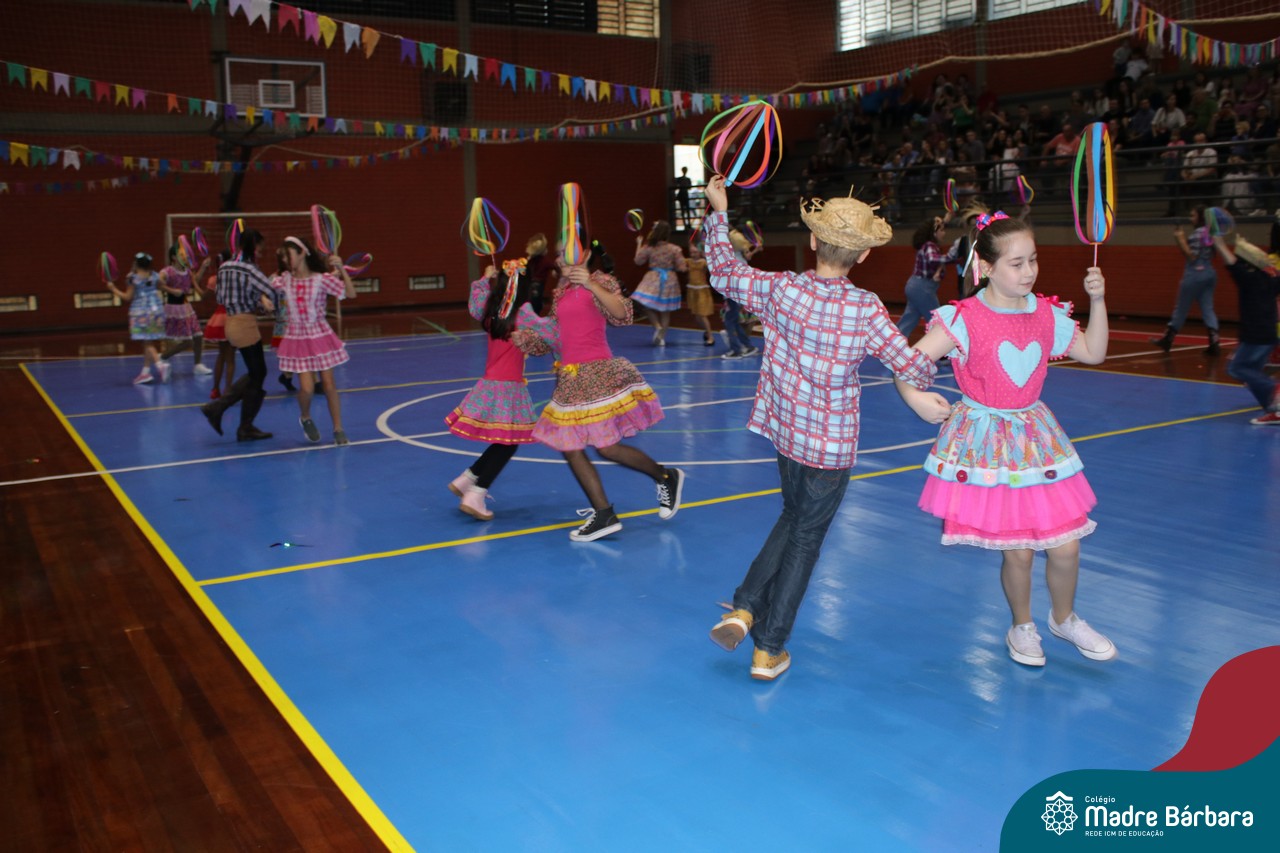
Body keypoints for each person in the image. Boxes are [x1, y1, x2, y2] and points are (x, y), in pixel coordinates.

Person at [702, 175, 948, 681]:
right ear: (863, 255)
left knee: (794, 517)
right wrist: (948, 338)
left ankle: (745, 608)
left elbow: (724, 271)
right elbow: (914, 368)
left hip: (786, 433)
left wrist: (719, 211)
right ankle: (769, 648)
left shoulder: (780, 289)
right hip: (830, 447)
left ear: (813, 241)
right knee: (806, 538)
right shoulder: (865, 309)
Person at [896, 212, 1116, 667]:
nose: (1029, 271)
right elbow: (907, 365)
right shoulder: (964, 318)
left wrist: (1097, 301)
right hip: (990, 446)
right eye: (1017, 263)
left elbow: (1094, 353)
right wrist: (915, 398)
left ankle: (1065, 618)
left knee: (1067, 545)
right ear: (986, 267)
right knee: (1019, 553)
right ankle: (1022, 625)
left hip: (1037, 440)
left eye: (1033, 260)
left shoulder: (1047, 314)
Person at [515, 238, 684, 542]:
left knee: (607, 448)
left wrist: (591, 285)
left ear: (585, 254)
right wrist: (528, 340)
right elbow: (556, 337)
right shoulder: (561, 293)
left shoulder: (600, 281)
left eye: (568, 253)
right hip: (570, 380)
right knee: (570, 446)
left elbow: (622, 314)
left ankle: (664, 476)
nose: (562, 260)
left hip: (598, 375)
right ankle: (604, 513)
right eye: (559, 255)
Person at [445, 259, 555, 519]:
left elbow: (475, 303)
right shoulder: (523, 312)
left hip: (490, 384)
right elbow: (547, 331)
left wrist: (485, 279)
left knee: (504, 441)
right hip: (508, 388)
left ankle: (468, 478)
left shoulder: (492, 310)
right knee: (509, 442)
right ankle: (476, 493)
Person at [272, 236, 356, 445]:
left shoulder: (321, 279)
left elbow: (351, 293)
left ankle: (338, 428)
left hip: (320, 335)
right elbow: (265, 288)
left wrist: (341, 269)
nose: (285, 260)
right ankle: (305, 417)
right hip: (297, 338)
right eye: (283, 257)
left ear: (302, 253)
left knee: (329, 384)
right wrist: (264, 299)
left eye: (288, 255)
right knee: (307, 389)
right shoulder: (284, 279)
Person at [200, 228, 277, 442]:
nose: (261, 252)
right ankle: (225, 413)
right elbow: (271, 290)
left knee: (257, 372)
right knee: (258, 373)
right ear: (253, 246)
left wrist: (257, 300)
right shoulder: (250, 269)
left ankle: (232, 417)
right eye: (260, 249)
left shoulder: (225, 267)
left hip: (231, 322)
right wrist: (271, 306)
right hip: (245, 324)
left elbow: (221, 297)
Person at [1209, 232, 1280, 424]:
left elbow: (1232, 263)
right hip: (1269, 335)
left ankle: (1275, 391)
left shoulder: (1248, 280)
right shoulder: (1272, 279)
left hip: (1254, 334)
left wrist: (1220, 243)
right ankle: (1273, 410)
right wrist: (1245, 246)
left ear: (1247, 265)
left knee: (1236, 368)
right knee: (1253, 372)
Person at [1150, 206, 1221, 354]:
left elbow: (1192, 256)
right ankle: (1214, 341)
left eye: (1193, 215)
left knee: (1181, 308)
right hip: (1209, 272)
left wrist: (1180, 239)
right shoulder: (1210, 232)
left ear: (1200, 217)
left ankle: (1168, 339)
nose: (1191, 219)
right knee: (1208, 308)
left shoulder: (1197, 233)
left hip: (1195, 273)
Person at [105, 252, 167, 385]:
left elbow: (127, 297)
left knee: (147, 342)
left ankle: (160, 364)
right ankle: (145, 373)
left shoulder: (133, 279)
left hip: (141, 313)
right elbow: (161, 284)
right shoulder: (154, 275)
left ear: (137, 264)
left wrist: (113, 289)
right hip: (156, 311)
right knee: (148, 341)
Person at [157, 244, 212, 379]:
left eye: (185, 254)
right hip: (174, 309)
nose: (185, 256)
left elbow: (194, 280)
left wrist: (203, 267)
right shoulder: (167, 271)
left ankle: (198, 365)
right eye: (181, 254)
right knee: (188, 342)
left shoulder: (187, 271)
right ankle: (163, 357)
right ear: (173, 257)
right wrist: (172, 290)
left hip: (186, 307)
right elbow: (158, 283)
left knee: (198, 336)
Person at [897, 214, 957, 338]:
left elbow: (935, 226)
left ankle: (894, 342)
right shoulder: (930, 245)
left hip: (914, 286)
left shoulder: (927, 245)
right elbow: (932, 259)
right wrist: (951, 256)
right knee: (936, 320)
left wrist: (946, 220)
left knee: (909, 319)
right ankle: (940, 346)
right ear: (934, 233)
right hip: (922, 287)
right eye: (942, 230)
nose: (944, 233)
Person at [631, 221, 687, 346]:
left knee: (643, 303)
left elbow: (638, 261)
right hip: (670, 279)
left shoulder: (649, 247)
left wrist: (639, 244)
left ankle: (657, 327)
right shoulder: (675, 249)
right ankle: (661, 337)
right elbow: (682, 268)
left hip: (653, 278)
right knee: (665, 311)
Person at [716, 224, 761, 359]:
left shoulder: (730, 255)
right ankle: (748, 346)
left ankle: (736, 350)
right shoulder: (735, 254)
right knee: (734, 320)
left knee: (730, 320)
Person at [203, 250, 235, 400]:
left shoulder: (214, 279)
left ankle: (215, 389)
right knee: (230, 358)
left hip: (219, 317)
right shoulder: (235, 277)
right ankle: (228, 390)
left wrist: (195, 283)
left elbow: (204, 297)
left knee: (221, 355)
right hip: (232, 316)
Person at [684, 239, 717, 346]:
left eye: (695, 252)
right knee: (697, 316)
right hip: (692, 290)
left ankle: (711, 336)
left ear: (700, 252)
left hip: (702, 290)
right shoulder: (688, 261)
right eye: (691, 252)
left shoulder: (703, 262)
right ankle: (707, 332)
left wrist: (706, 254)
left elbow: (712, 267)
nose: (693, 254)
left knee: (702, 315)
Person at [524, 232, 558, 315]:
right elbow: (556, 268)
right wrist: (556, 271)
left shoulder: (530, 260)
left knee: (530, 304)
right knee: (536, 306)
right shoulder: (545, 261)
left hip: (529, 284)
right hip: (538, 286)